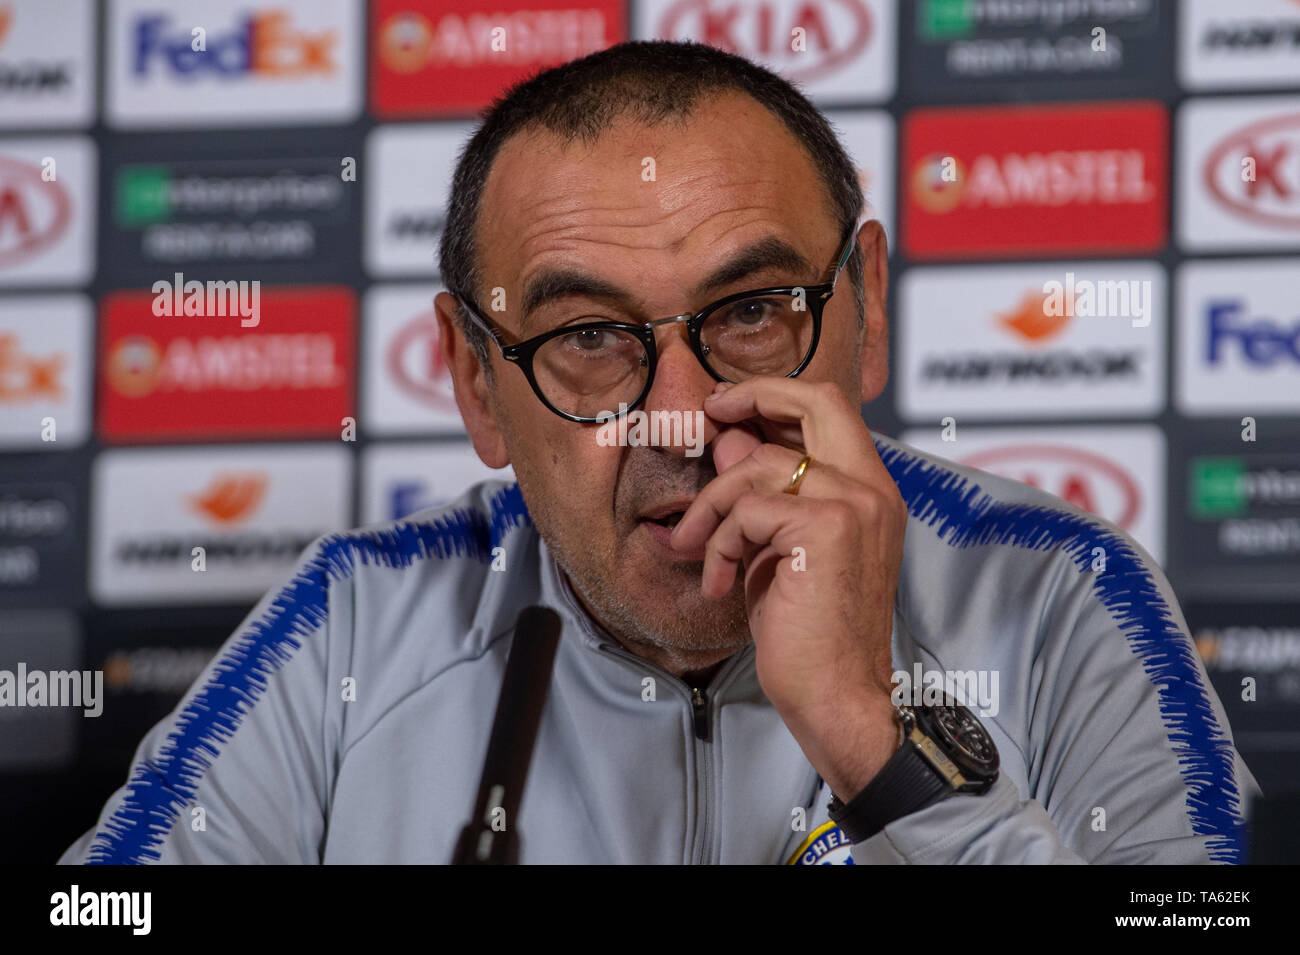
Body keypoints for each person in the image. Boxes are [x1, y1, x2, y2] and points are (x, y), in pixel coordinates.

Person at [60, 40, 1257, 865]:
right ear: (478, 378)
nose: (683, 416)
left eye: (749, 313)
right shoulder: (350, 632)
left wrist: (872, 739)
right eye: (588, 336)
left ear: (868, 309)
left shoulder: (1059, 596)